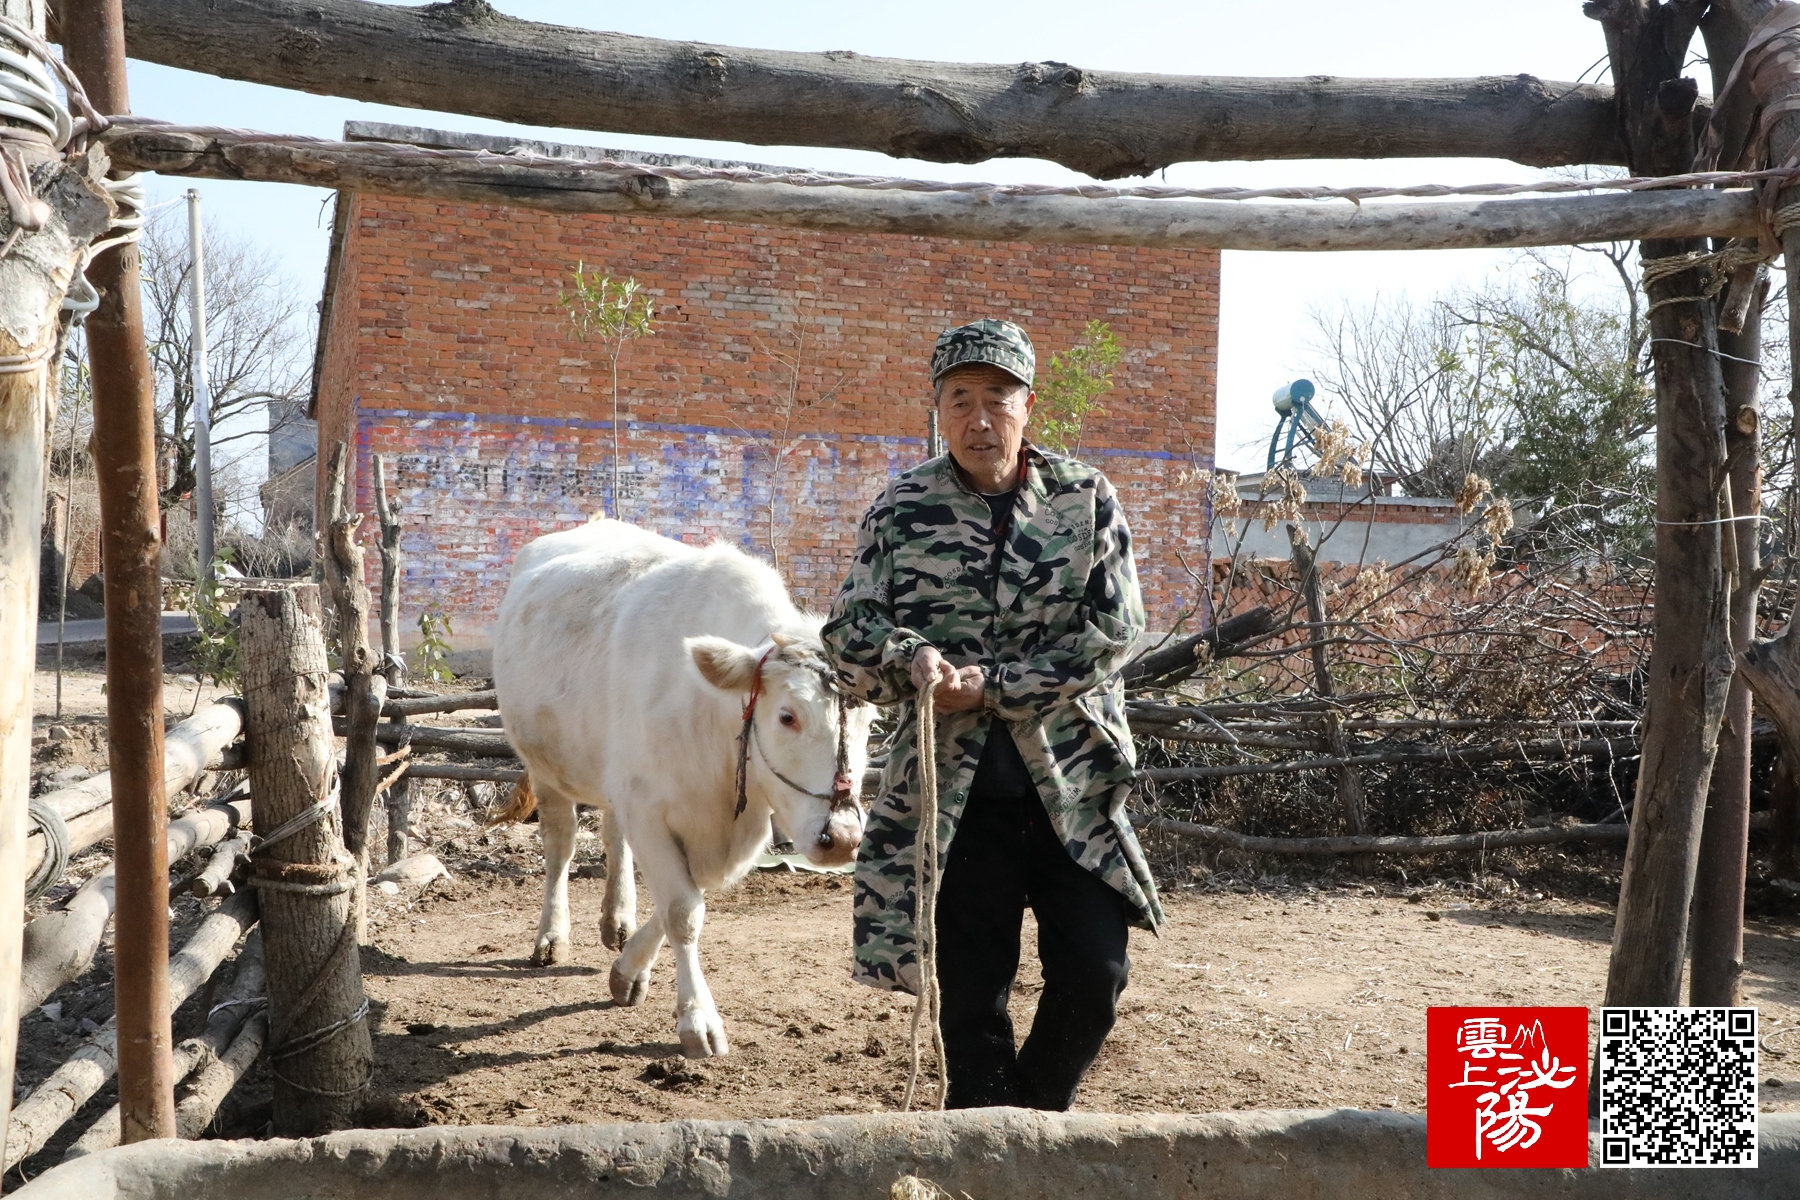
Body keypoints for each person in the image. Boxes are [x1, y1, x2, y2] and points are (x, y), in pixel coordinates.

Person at [823, 318, 1164, 1110]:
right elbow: (847, 633)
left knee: (1096, 971)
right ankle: (987, 1143)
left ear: (1028, 406)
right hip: (953, 800)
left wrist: (999, 684)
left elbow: (1115, 631)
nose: (981, 419)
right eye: (961, 400)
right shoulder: (903, 508)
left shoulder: (1085, 501)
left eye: (998, 399)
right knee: (969, 997)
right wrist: (911, 656)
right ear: (938, 411)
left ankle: (1031, 1121)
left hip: (1068, 791)